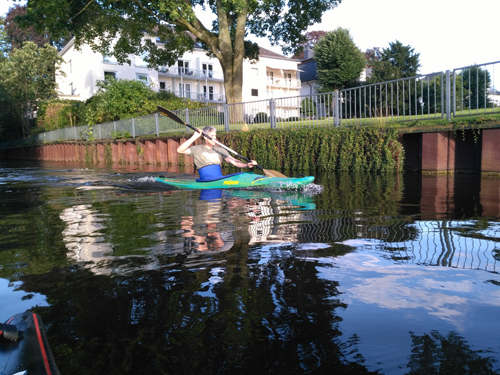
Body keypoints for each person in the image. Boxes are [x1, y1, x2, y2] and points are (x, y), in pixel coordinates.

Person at [177, 126, 258, 181]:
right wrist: (194, 137)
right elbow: (180, 150)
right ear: (205, 137)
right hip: (206, 181)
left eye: (215, 136)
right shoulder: (197, 149)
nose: (215, 138)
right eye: (212, 136)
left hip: (219, 180)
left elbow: (234, 162)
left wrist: (247, 165)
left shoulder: (220, 150)